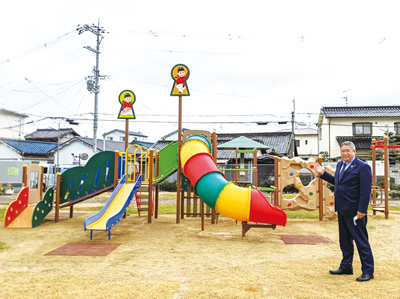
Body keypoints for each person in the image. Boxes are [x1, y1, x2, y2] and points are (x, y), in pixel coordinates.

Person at [314, 141, 374, 282]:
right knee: (345, 241)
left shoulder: (363, 167)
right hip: (342, 209)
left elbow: (366, 191)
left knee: (361, 241)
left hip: (355, 211)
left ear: (354, 152)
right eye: (343, 151)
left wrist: (362, 210)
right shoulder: (340, 165)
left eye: (348, 151)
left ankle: (368, 271)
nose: (345, 153)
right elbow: (338, 182)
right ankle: (346, 266)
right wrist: (323, 173)